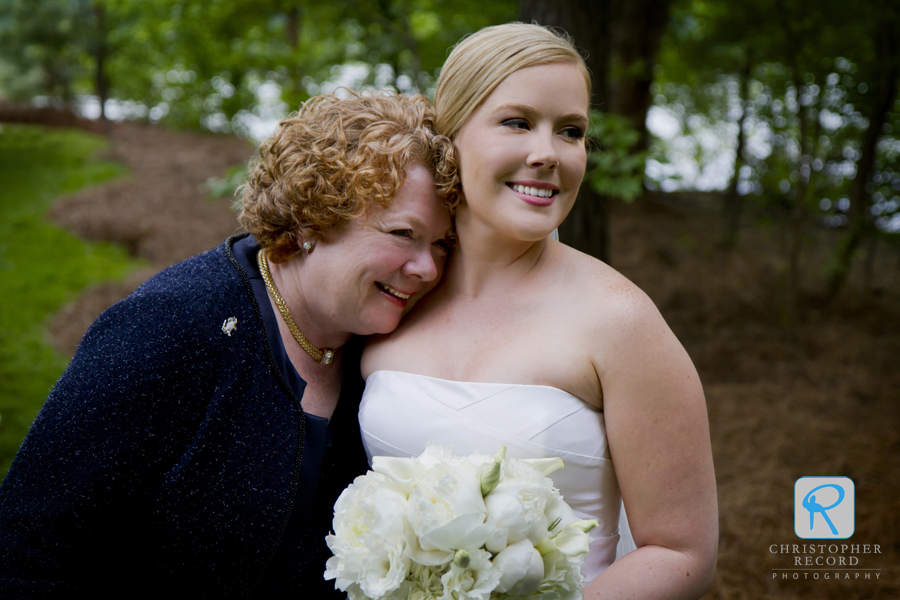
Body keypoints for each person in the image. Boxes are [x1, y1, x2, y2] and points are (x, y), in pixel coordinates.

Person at [0, 92, 456, 598]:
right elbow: (26, 551)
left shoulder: (387, 357)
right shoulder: (172, 325)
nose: (428, 268)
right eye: (403, 233)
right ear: (312, 219)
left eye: (441, 243)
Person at [359, 23, 719, 598]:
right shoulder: (392, 296)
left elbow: (683, 553)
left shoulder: (620, 321)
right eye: (517, 122)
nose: (548, 153)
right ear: (449, 137)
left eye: (571, 131)